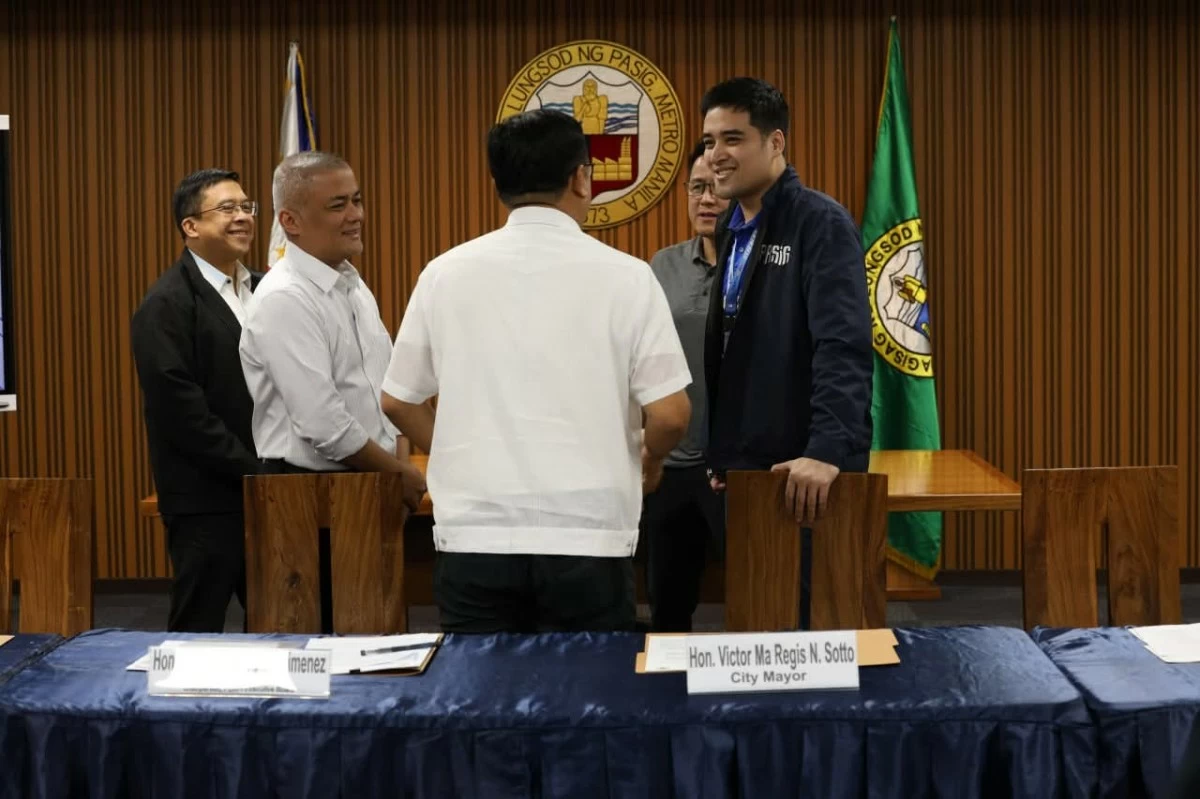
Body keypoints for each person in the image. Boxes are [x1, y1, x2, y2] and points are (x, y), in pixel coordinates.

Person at [381, 109, 692, 634]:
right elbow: (671, 413)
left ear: (498, 183)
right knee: (588, 705)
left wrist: (457, 449)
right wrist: (651, 458)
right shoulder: (628, 278)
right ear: (580, 177)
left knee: (479, 703)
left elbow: (397, 400)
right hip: (588, 535)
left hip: (475, 533)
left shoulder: (445, 273)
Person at [701, 78, 873, 627]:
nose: (716, 157)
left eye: (733, 139)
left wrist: (826, 449)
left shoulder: (819, 223)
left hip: (808, 473)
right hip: (752, 472)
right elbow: (739, 349)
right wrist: (726, 451)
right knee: (761, 627)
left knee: (814, 632)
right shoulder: (733, 228)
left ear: (776, 143)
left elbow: (843, 345)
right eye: (708, 142)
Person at [238, 151, 423, 510]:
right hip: (311, 498)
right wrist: (398, 475)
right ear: (290, 221)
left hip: (370, 483)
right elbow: (324, 425)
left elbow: (382, 386)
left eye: (357, 200)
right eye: (338, 206)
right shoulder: (285, 298)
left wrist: (397, 470)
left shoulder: (350, 282)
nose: (356, 215)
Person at [131, 168, 262, 632]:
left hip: (270, 491)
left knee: (281, 621)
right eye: (227, 208)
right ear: (191, 226)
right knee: (197, 631)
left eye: (247, 207)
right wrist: (251, 467)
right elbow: (180, 411)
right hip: (207, 497)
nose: (243, 216)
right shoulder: (166, 304)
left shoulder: (264, 289)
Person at [641, 140, 730, 632]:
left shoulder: (764, 264)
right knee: (668, 603)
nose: (706, 199)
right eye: (697, 188)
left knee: (756, 590)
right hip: (672, 462)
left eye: (717, 188)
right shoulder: (662, 265)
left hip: (736, 463)